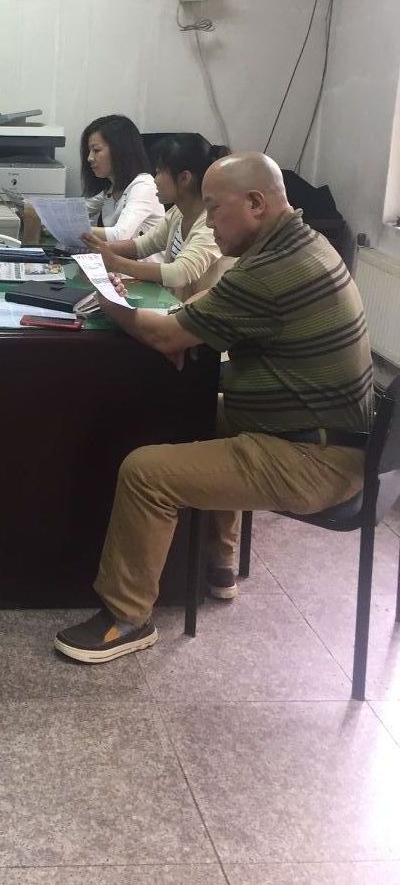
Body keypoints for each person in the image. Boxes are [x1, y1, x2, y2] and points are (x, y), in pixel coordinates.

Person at [54, 152, 373, 665]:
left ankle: (126, 618)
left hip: (313, 458)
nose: (207, 221)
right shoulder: (303, 244)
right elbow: (203, 318)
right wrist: (183, 331)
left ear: (256, 203)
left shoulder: (270, 270)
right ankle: (218, 563)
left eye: (214, 208)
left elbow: (166, 336)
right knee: (194, 415)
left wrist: (109, 301)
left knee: (145, 472)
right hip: (322, 436)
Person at [86, 133, 233, 301]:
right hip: (175, 306)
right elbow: (143, 245)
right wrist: (101, 248)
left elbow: (179, 274)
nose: (154, 180)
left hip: (199, 313)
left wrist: (115, 262)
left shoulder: (211, 224)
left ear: (184, 178)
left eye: (159, 172)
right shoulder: (178, 213)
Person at [24, 114, 163, 247]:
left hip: (138, 264)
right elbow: (75, 212)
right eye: (89, 151)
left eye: (96, 150)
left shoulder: (143, 187)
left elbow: (119, 235)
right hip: (117, 262)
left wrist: (74, 229)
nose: (89, 158)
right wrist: (34, 211)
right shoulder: (111, 190)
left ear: (120, 151)